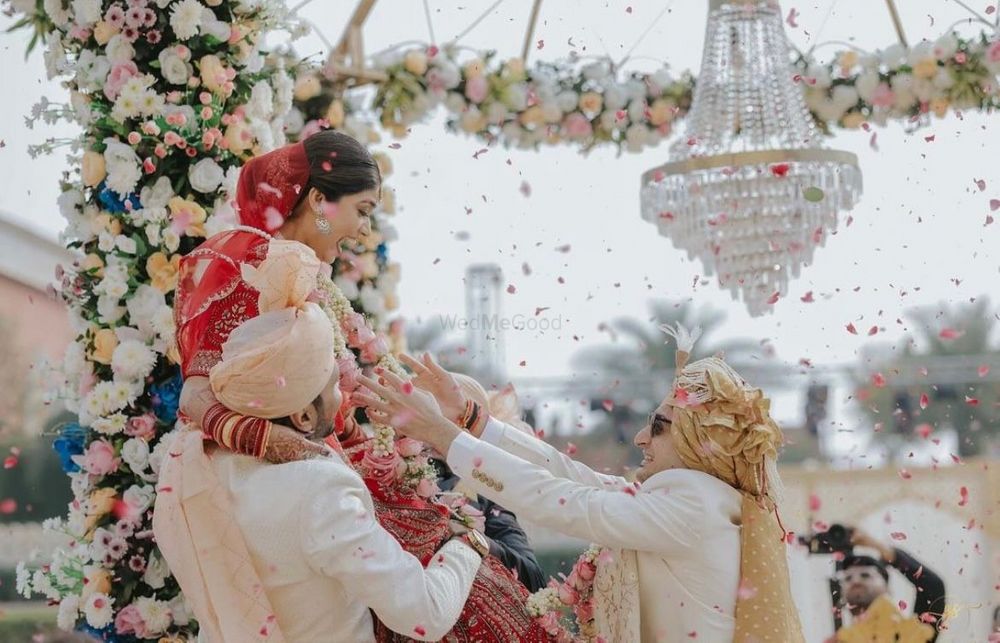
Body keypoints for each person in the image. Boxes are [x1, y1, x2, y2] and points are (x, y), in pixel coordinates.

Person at [357, 325, 806, 642]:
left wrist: (441, 434)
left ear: (699, 441)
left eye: (661, 425)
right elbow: (573, 476)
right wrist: (474, 421)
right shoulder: (693, 499)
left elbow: (564, 499)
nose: (641, 437)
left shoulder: (693, 506)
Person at [154, 251, 484, 641]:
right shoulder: (319, 491)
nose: (343, 397)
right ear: (304, 419)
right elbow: (425, 613)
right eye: (332, 385)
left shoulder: (198, 469)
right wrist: (467, 545)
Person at [175, 129, 380, 463]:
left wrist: (375, 452)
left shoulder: (310, 275)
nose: (366, 230)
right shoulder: (253, 267)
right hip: (251, 474)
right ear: (318, 201)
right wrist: (261, 439)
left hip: (310, 464)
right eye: (363, 209)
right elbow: (194, 393)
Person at [431, 371, 545, 592]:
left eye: (437, 416)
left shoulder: (483, 489)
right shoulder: (384, 463)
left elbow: (533, 578)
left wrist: (474, 539)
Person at [833, 527, 946, 642]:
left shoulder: (912, 634)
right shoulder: (842, 639)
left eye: (865, 575)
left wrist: (881, 548)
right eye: (848, 578)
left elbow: (933, 587)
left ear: (887, 588)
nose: (856, 581)